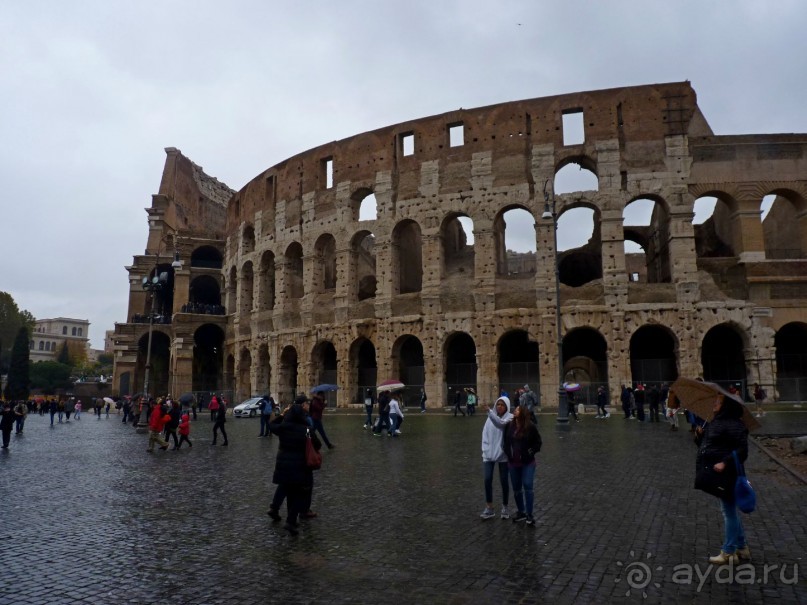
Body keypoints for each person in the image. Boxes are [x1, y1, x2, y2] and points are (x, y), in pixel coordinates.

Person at [694, 392, 751, 565]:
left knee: (729, 512)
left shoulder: (734, 424)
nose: (714, 404)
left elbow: (742, 451)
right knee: (729, 510)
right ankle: (742, 548)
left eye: (718, 402)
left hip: (727, 473)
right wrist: (700, 436)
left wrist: (725, 463)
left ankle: (728, 552)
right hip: (717, 471)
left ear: (726, 406)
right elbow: (709, 445)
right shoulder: (715, 421)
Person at [267, 403, 322, 535]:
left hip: (284, 466)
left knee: (289, 491)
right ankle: (291, 521)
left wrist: (282, 415)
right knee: (299, 495)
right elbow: (317, 444)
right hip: (300, 466)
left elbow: (272, 425)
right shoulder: (307, 430)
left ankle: (289, 521)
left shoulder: (284, 427)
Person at [503, 404, 542, 526]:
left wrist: (530, 451)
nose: (515, 411)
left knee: (528, 486)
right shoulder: (509, 426)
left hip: (527, 463)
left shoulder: (530, 427)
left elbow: (538, 442)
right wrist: (508, 452)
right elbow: (505, 441)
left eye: (518, 410)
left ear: (523, 413)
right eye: (515, 409)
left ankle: (529, 514)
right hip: (513, 463)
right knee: (516, 489)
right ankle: (521, 511)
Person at [479, 396, 514, 520]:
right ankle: (489, 507)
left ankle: (505, 506)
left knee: (504, 481)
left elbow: (500, 424)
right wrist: (485, 450)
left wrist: (489, 411)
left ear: (507, 407)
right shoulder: (489, 418)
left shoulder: (510, 417)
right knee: (487, 479)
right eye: (498, 404)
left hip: (502, 455)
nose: (499, 406)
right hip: (488, 454)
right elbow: (485, 434)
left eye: (502, 405)